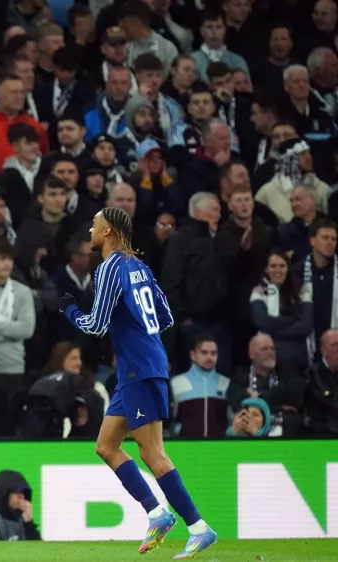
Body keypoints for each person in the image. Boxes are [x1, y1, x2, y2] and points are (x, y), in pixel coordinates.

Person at [59, 207, 217, 558]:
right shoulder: (140, 267)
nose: (91, 227)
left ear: (110, 231)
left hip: (139, 369)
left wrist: (69, 311)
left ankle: (198, 527)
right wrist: (136, 334)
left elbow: (96, 324)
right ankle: (157, 512)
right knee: (106, 446)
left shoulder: (109, 267)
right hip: (141, 365)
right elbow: (165, 317)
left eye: (96, 223)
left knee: (152, 452)